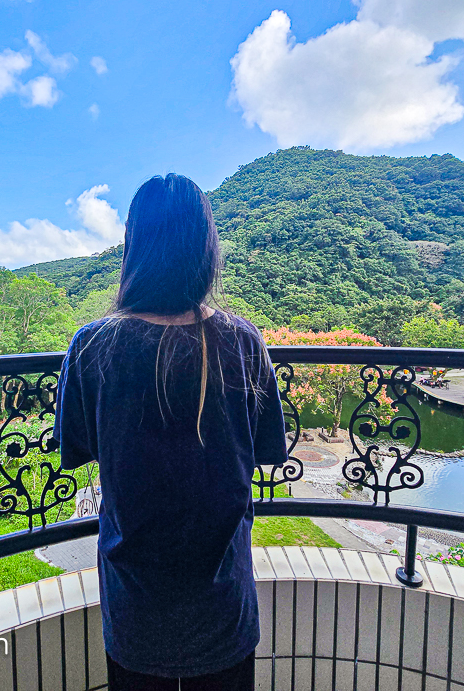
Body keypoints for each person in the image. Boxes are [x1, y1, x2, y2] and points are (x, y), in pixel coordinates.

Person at [53, 173, 288, 690]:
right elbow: (268, 448)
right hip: (224, 598)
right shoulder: (243, 341)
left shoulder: (93, 346)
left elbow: (79, 446)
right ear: (206, 249)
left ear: (133, 248)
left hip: (135, 601)